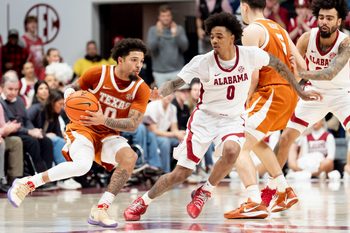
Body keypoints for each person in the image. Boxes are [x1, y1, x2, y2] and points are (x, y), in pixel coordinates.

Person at [123, 12, 319, 221]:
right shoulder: (202, 62)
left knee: (234, 149)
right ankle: (143, 202)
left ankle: (205, 192)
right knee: (181, 174)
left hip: (232, 119)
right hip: (204, 120)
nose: (214, 40)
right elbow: (175, 83)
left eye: (219, 36)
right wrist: (158, 93)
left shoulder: (249, 55)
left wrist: (299, 90)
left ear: (232, 37)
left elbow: (279, 64)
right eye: (212, 36)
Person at [7, 38, 151, 228]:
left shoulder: (141, 88)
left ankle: (101, 209)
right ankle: (27, 183)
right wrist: (70, 100)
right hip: (83, 127)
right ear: (120, 59)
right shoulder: (98, 73)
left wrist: (104, 120)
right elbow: (72, 89)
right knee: (82, 166)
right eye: (134, 60)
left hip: (108, 133)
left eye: (141, 61)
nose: (139, 65)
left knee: (129, 157)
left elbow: (133, 124)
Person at [224, 0, 308, 217]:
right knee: (257, 141)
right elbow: (303, 67)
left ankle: (253, 201)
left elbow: (252, 75)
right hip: (287, 93)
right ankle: (284, 190)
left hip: (270, 92)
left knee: (237, 143)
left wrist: (242, 102)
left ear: (244, 6)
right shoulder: (279, 28)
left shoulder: (252, 30)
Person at [277, 0, 350, 185]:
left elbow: (329, 73)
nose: (324, 22)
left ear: (339, 21)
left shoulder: (346, 42)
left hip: (341, 93)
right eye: (322, 17)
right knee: (286, 137)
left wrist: (299, 73)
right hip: (313, 91)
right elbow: (291, 74)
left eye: (330, 18)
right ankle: (274, 187)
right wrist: (298, 91)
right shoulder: (306, 39)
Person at [0, 71, 54, 176]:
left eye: (16, 90)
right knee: (32, 141)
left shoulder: (19, 101)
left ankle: (49, 175)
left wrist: (33, 130)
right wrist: (29, 132)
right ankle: (38, 175)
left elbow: (26, 120)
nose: (13, 92)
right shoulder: (1, 103)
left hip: (23, 131)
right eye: (10, 89)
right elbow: (9, 125)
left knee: (45, 140)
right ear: (2, 87)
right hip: (11, 133)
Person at [147, 5, 189, 87]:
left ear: (171, 17)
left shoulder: (179, 29)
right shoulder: (153, 30)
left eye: (168, 15)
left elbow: (185, 48)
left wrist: (175, 34)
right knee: (164, 98)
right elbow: (151, 48)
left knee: (183, 97)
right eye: (163, 16)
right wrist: (158, 34)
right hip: (160, 73)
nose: (166, 18)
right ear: (159, 17)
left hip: (178, 71)